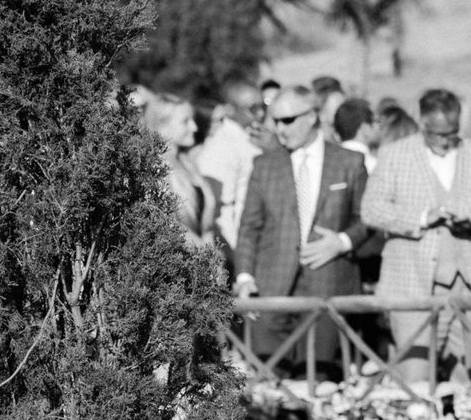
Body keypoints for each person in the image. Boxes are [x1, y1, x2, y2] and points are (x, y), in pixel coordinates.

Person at [361, 89, 471, 384]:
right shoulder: (395, 155)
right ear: (422, 123)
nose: (445, 140)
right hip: (412, 286)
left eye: (451, 133)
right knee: (415, 383)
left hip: (468, 285)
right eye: (437, 134)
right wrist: (420, 217)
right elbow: (371, 209)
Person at [233, 86, 372, 373]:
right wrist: (245, 276)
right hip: (272, 291)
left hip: (329, 287)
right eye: (275, 121)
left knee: (320, 384)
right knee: (270, 391)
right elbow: (249, 227)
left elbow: (367, 219)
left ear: (312, 117)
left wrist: (343, 241)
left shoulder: (349, 163)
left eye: (288, 120)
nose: (279, 129)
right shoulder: (265, 166)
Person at [140, 90, 221, 249]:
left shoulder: (188, 163)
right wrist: (202, 252)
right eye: (185, 121)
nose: (194, 127)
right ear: (162, 126)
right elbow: (167, 224)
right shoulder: (155, 169)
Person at [195, 76, 266, 250]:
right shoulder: (221, 145)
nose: (261, 114)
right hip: (236, 239)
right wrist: (235, 252)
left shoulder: (246, 136)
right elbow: (221, 206)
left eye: (263, 106)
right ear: (230, 110)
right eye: (252, 108)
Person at [334, 97, 380, 175]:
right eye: (376, 121)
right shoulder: (376, 168)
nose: (379, 127)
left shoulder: (325, 162)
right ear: (365, 127)